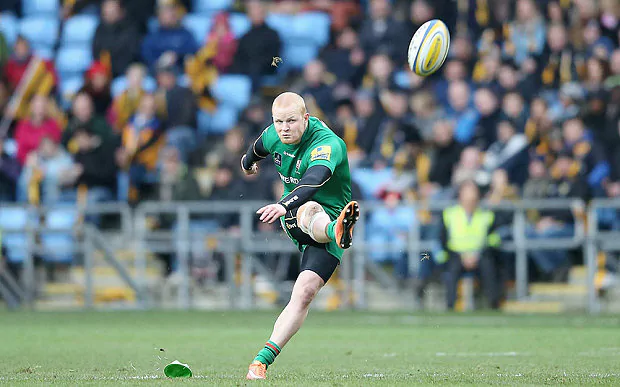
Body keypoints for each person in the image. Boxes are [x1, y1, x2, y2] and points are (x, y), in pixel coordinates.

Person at [241, 92, 360, 380]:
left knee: (305, 293)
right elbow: (255, 149)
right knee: (307, 208)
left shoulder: (329, 144)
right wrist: (248, 163)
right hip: (298, 216)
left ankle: (260, 362)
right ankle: (336, 230)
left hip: (315, 211)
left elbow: (313, 180)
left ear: (305, 119)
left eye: (291, 121)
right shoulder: (274, 135)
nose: (284, 128)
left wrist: (282, 204)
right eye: (279, 121)